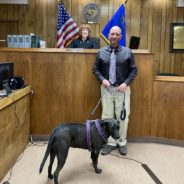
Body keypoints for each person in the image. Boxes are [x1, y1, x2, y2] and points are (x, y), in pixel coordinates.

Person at [93, 26, 137, 155]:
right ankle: (110, 142)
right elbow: (95, 69)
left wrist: (125, 83)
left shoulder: (127, 52)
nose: (114, 36)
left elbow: (134, 70)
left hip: (122, 89)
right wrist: (102, 80)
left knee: (122, 117)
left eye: (117, 34)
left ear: (121, 37)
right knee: (107, 117)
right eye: (112, 34)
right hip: (106, 89)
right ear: (108, 35)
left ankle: (121, 141)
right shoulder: (101, 52)